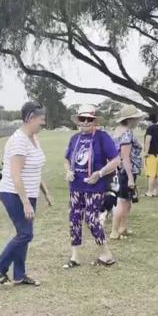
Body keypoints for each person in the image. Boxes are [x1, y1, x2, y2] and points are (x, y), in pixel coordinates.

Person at [0, 102, 52, 286]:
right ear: (30, 118)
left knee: (23, 233)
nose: (43, 123)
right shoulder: (18, 140)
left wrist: (45, 192)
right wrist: (25, 202)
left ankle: (19, 275)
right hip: (13, 193)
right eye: (41, 120)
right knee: (25, 234)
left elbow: (35, 169)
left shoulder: (33, 138)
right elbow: (16, 175)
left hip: (29, 193)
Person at [63, 106, 121, 268]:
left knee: (91, 219)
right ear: (78, 121)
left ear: (94, 121)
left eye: (89, 119)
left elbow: (116, 161)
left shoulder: (102, 137)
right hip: (76, 186)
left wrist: (100, 174)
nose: (86, 122)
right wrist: (68, 171)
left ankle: (106, 254)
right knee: (74, 219)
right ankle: (75, 256)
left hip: (94, 188)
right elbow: (67, 159)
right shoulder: (74, 138)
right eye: (83, 119)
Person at [110, 105, 144, 240]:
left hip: (122, 171)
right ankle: (114, 231)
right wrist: (130, 178)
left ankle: (123, 227)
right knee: (123, 202)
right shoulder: (126, 134)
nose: (138, 121)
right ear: (130, 119)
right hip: (126, 172)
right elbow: (125, 157)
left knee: (128, 201)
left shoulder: (117, 131)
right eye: (136, 119)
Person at [144, 113, 158, 197]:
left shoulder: (150, 129)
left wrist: (146, 152)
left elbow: (148, 141)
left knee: (151, 175)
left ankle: (149, 192)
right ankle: (155, 191)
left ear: (150, 121)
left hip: (151, 155)